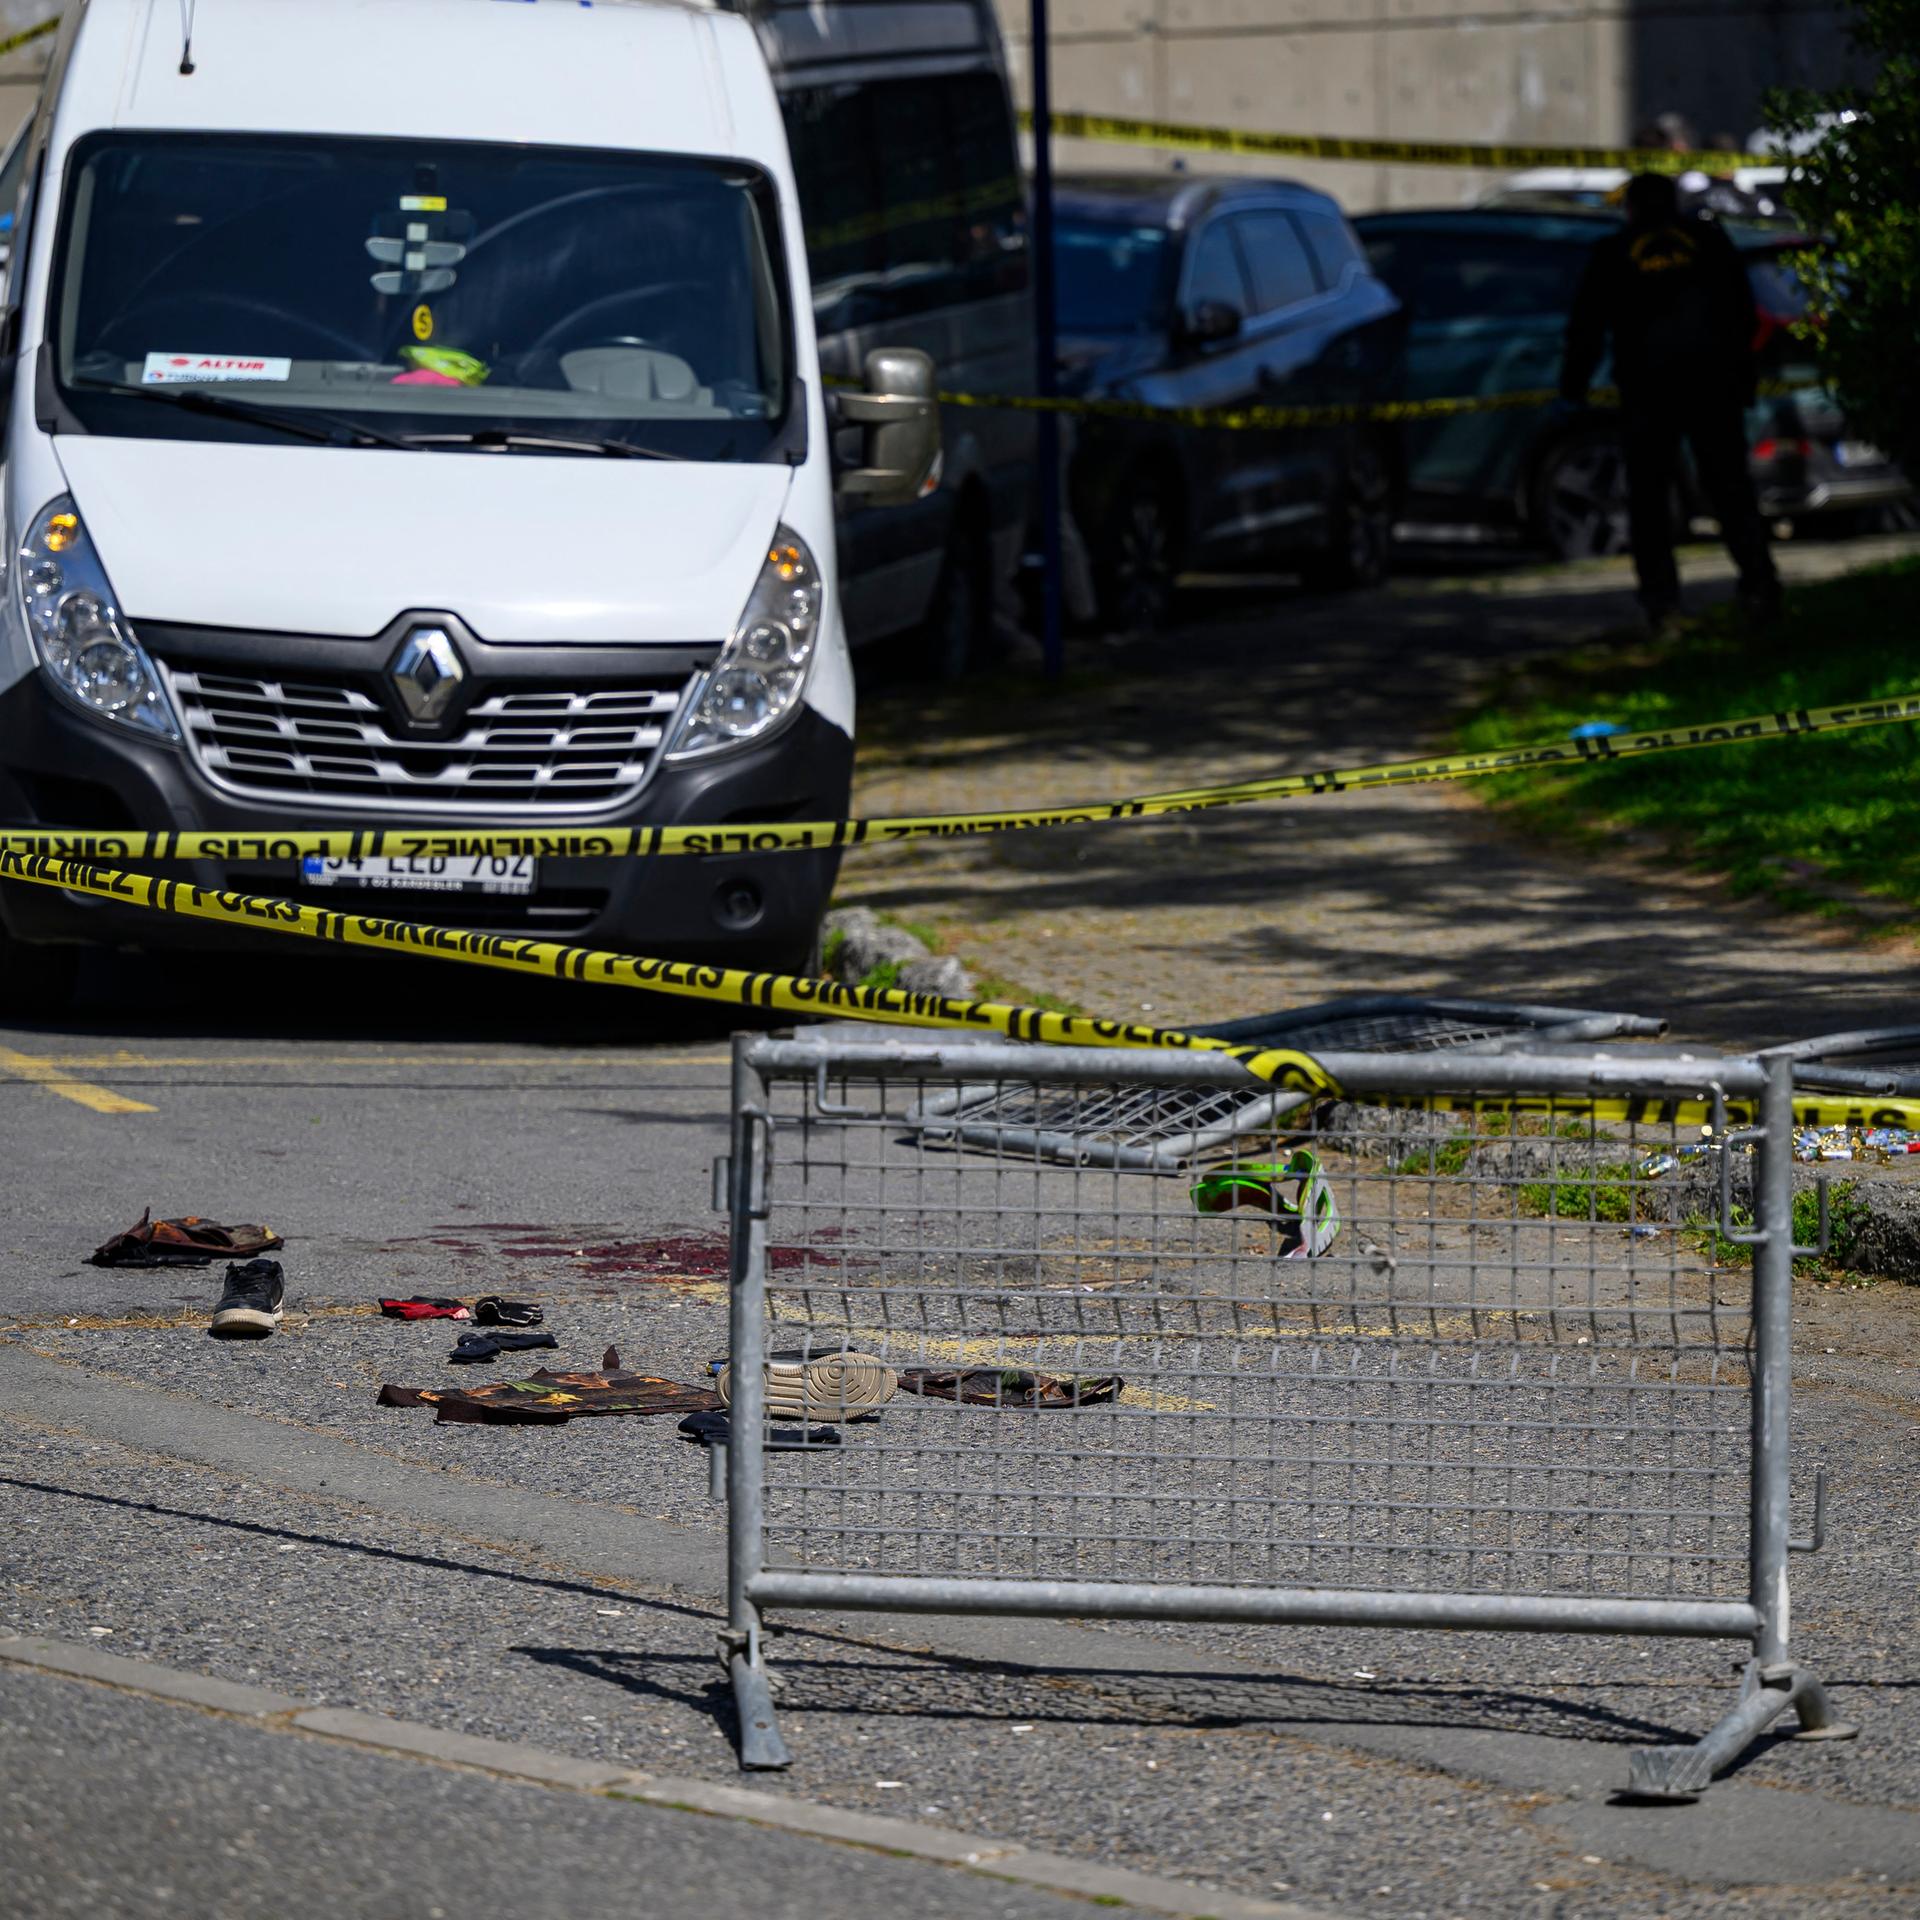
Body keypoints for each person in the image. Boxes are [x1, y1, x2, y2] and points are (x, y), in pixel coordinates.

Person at [1559, 171, 1781, 629]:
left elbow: (1586, 325)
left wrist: (1573, 387)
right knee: (1730, 489)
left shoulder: (1615, 252)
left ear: (1632, 208)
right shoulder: (1709, 242)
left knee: (1650, 499)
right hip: (1711, 387)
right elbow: (1741, 313)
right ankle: (1759, 585)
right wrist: (1743, 379)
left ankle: (1661, 601)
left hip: (1649, 392)